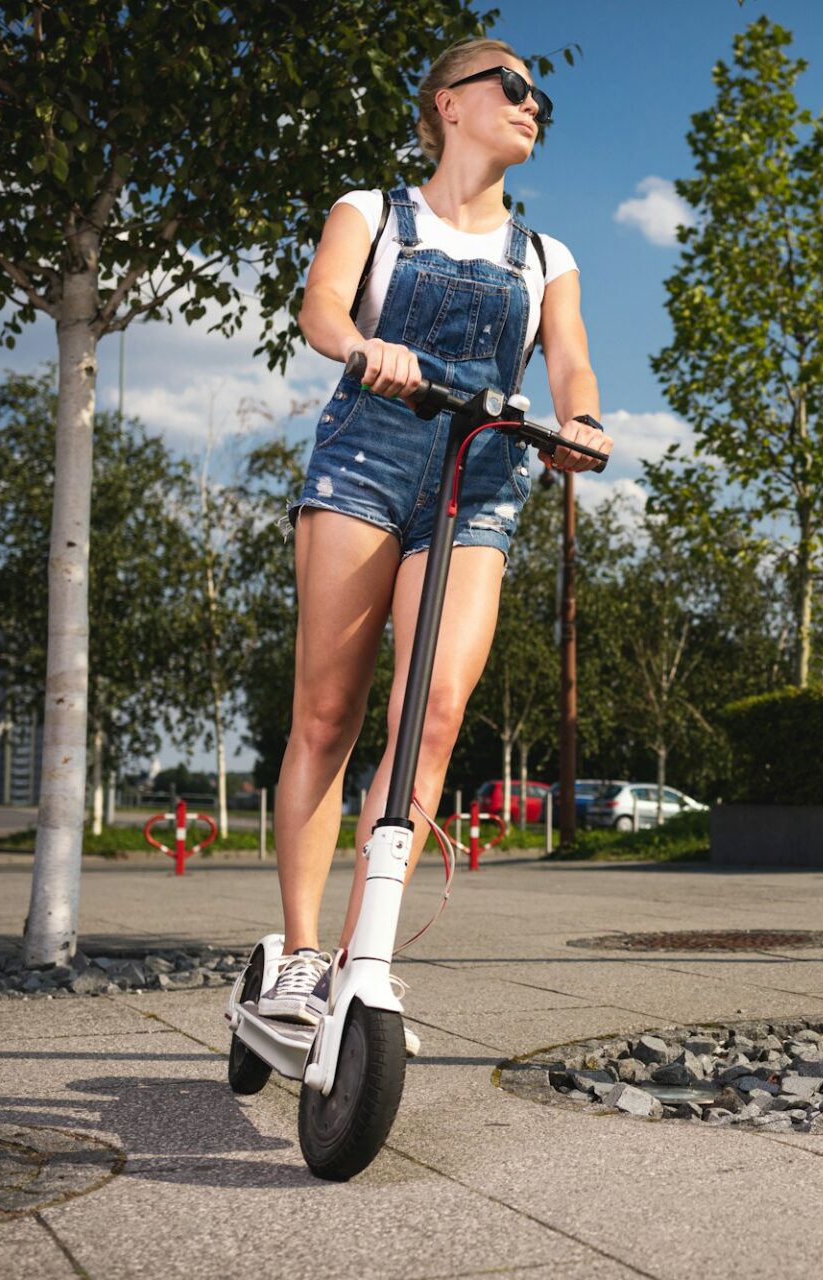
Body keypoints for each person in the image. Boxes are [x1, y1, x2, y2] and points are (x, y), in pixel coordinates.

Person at [259, 38, 611, 1024]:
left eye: (539, 95)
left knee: (437, 708)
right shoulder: (369, 213)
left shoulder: (547, 258)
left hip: (482, 476)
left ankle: (360, 952)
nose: (531, 103)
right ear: (448, 104)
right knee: (329, 714)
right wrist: (365, 346)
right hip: (366, 460)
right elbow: (320, 307)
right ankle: (296, 952)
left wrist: (579, 422)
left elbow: (571, 364)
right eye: (511, 85)